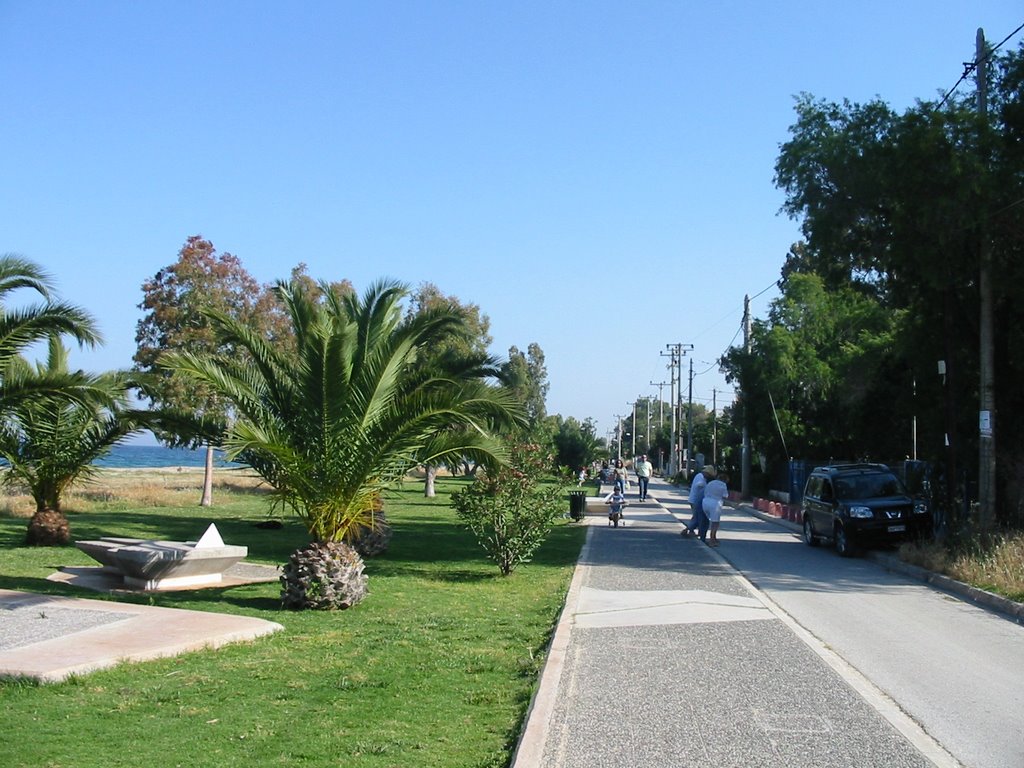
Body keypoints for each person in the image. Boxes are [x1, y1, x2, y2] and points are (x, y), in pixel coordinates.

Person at [682, 465, 716, 538]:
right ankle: (688, 530)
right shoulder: (700, 477)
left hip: (695, 499)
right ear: (707, 473)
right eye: (709, 475)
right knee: (697, 517)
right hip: (695, 500)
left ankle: (690, 530)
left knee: (696, 516)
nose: (708, 477)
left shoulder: (700, 476)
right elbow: (699, 485)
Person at [702, 471, 729, 546]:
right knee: (715, 523)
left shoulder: (711, 482)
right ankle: (711, 540)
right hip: (715, 504)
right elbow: (725, 496)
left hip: (705, 502)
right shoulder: (723, 485)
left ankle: (712, 537)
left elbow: (705, 492)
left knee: (708, 520)